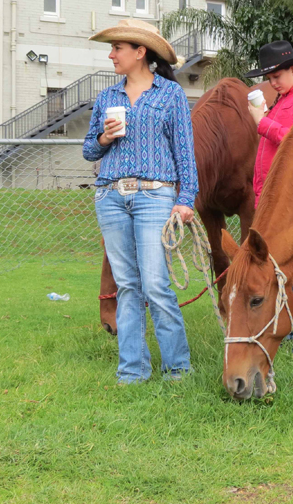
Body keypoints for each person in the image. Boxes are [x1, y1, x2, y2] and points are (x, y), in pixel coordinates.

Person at [83, 19, 198, 384]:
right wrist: (103, 137)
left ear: (140, 52)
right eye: (112, 48)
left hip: (155, 195)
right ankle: (132, 371)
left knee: (154, 284)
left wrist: (186, 198)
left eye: (118, 48)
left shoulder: (170, 94)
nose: (111, 54)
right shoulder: (106, 98)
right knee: (127, 286)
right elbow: (88, 150)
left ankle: (177, 368)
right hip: (110, 196)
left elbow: (185, 153)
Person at [246, 40, 293, 353]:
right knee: (282, 268)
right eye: (269, 76)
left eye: (277, 75)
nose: (272, 82)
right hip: (273, 199)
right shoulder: (284, 99)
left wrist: (262, 122)